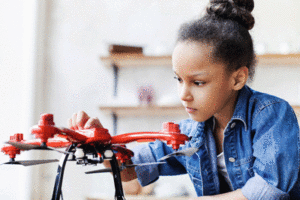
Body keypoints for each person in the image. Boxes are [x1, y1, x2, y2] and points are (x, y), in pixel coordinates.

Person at [68, 0, 300, 199]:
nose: (183, 94)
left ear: (238, 78)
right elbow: (130, 170)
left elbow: (269, 191)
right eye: (179, 79)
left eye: (198, 82)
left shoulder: (272, 115)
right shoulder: (188, 133)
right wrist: (100, 145)